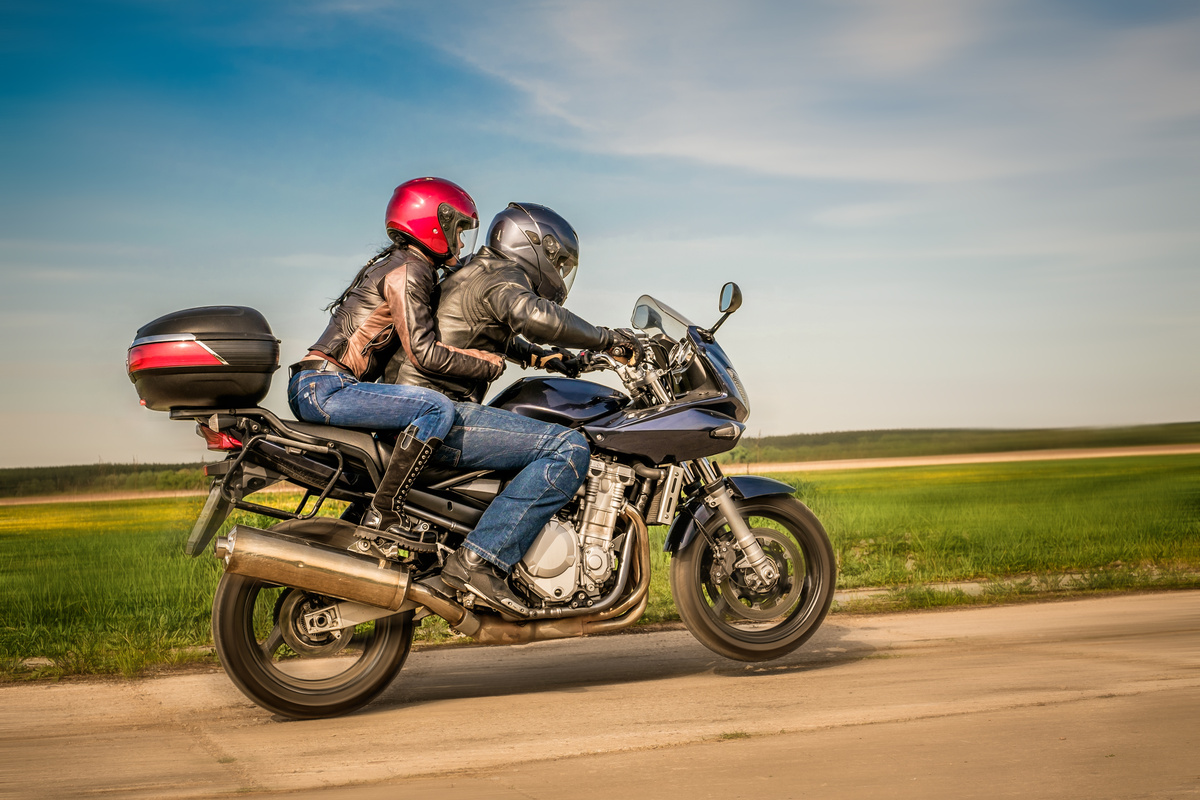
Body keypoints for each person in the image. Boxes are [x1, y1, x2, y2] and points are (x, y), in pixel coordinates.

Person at [385, 202, 640, 614]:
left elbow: (488, 330)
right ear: (534, 245)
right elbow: (529, 313)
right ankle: (478, 561)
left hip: (421, 414)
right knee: (569, 449)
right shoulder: (501, 277)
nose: (559, 272)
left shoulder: (478, 272)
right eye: (558, 261)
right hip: (441, 418)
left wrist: (547, 358)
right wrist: (607, 339)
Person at [287, 177, 504, 533]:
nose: (462, 241)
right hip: (327, 387)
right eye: (459, 229)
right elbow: (424, 352)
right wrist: (486, 365)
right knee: (436, 407)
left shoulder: (402, 264)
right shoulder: (409, 271)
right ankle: (386, 511)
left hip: (317, 382)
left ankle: (354, 536)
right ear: (436, 222)